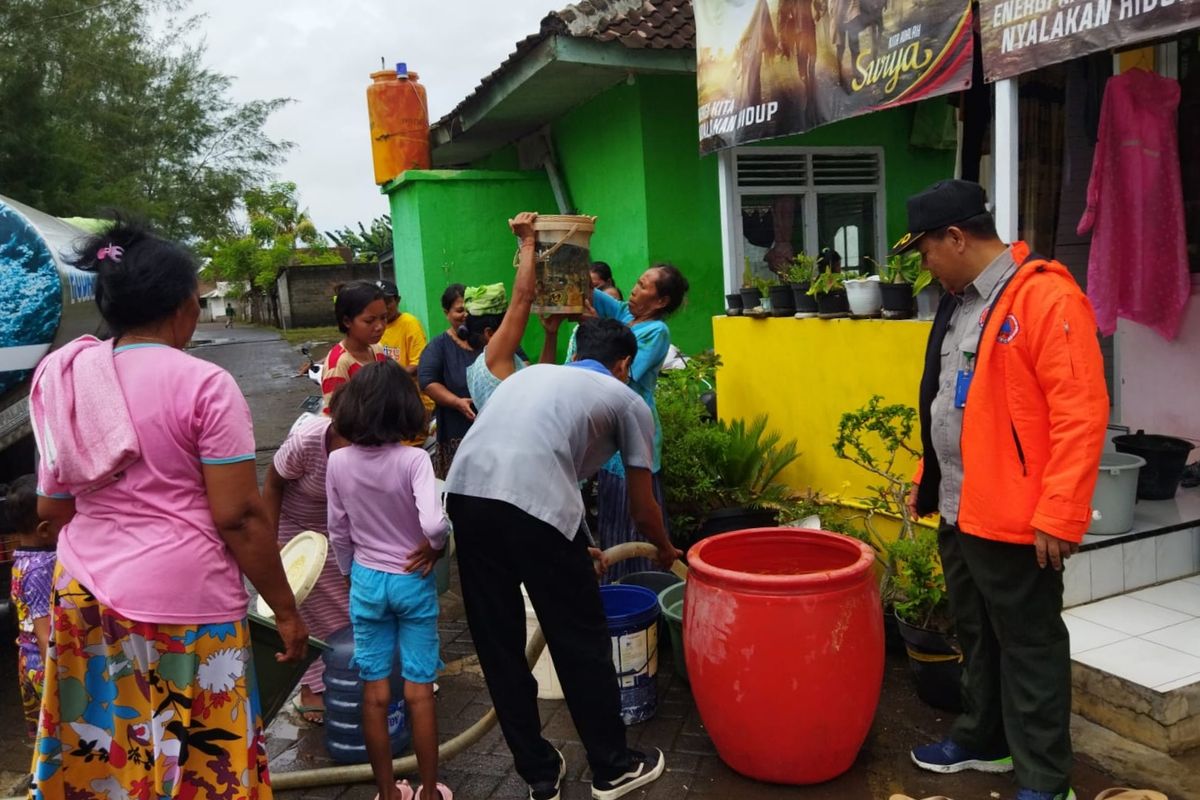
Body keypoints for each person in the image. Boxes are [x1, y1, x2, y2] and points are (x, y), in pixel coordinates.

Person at [28, 218, 307, 800]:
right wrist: (284, 609)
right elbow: (240, 516)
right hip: (184, 606)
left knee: (105, 758)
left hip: (81, 594)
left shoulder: (69, 378)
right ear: (184, 306)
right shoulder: (203, 383)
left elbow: (50, 508)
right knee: (202, 769)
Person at [897, 180, 1108, 800]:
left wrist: (1061, 512)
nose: (924, 266)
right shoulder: (960, 303)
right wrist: (927, 479)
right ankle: (984, 739)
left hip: (1019, 519)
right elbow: (950, 404)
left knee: (1031, 646)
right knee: (977, 634)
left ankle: (1045, 779)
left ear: (956, 238)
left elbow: (1081, 412)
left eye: (926, 252)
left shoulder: (1046, 299)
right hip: (963, 510)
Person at [445, 318, 680, 800]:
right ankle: (613, 769)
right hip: (533, 511)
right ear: (624, 364)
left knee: (499, 646)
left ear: (578, 352)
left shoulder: (533, 375)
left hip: (465, 499)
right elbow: (642, 507)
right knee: (579, 640)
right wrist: (667, 549)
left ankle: (540, 775)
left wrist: (577, 544)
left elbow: (535, 463)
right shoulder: (626, 397)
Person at [326, 360, 452, 800]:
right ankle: (430, 792)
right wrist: (434, 547)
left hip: (366, 580)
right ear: (405, 409)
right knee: (419, 692)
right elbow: (434, 524)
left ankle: (388, 792)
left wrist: (348, 575)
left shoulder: (338, 461)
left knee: (375, 694)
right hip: (411, 579)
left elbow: (337, 531)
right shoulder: (414, 460)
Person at [547, 263, 689, 581]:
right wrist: (571, 247)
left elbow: (620, 372)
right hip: (610, 436)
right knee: (613, 518)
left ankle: (646, 586)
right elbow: (585, 287)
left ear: (661, 301)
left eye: (643, 285)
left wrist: (596, 328)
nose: (634, 289)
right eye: (636, 282)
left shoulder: (656, 332)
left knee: (638, 513)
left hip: (635, 428)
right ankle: (617, 585)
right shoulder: (625, 313)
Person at [263, 414, 351, 725]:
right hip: (295, 532)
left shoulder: (372, 444)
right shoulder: (308, 440)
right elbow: (273, 484)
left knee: (344, 610)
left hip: (338, 529)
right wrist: (270, 541)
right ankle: (311, 690)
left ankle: (345, 677)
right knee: (307, 609)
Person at [463, 212, 548, 411]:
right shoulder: (493, 356)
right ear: (489, 333)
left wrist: (550, 334)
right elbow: (522, 300)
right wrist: (528, 242)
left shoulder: (497, 362)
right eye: (506, 321)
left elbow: (543, 381)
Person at [7, 474, 55, 740]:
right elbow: (44, 630)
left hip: (27, 661)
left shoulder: (22, 560)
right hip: (43, 662)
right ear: (44, 529)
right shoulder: (42, 568)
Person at [418, 284, 479, 478]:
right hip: (457, 430)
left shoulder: (490, 338)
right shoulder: (439, 346)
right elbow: (427, 381)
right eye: (460, 310)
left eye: (469, 309)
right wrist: (457, 402)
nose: (465, 315)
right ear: (446, 313)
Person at [322, 280, 389, 414]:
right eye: (369, 321)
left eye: (383, 318)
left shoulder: (377, 349)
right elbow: (336, 417)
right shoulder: (339, 364)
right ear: (347, 321)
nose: (380, 327)